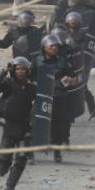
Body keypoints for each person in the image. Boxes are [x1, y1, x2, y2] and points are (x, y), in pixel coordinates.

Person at [0, 56, 36, 190]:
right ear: (13, 70)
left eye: (23, 69)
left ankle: (10, 187)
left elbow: (42, 104)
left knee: (21, 158)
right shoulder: (8, 83)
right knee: (5, 159)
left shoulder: (32, 87)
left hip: (25, 127)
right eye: (18, 69)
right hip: (10, 126)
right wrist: (4, 71)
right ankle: (3, 166)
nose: (21, 72)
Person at [31, 34, 77, 163]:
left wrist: (70, 80)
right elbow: (29, 77)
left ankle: (57, 153)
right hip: (41, 98)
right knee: (34, 125)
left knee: (57, 127)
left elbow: (75, 79)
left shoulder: (63, 61)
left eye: (56, 46)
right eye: (51, 46)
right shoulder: (36, 61)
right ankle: (30, 154)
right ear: (44, 47)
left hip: (58, 97)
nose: (54, 48)